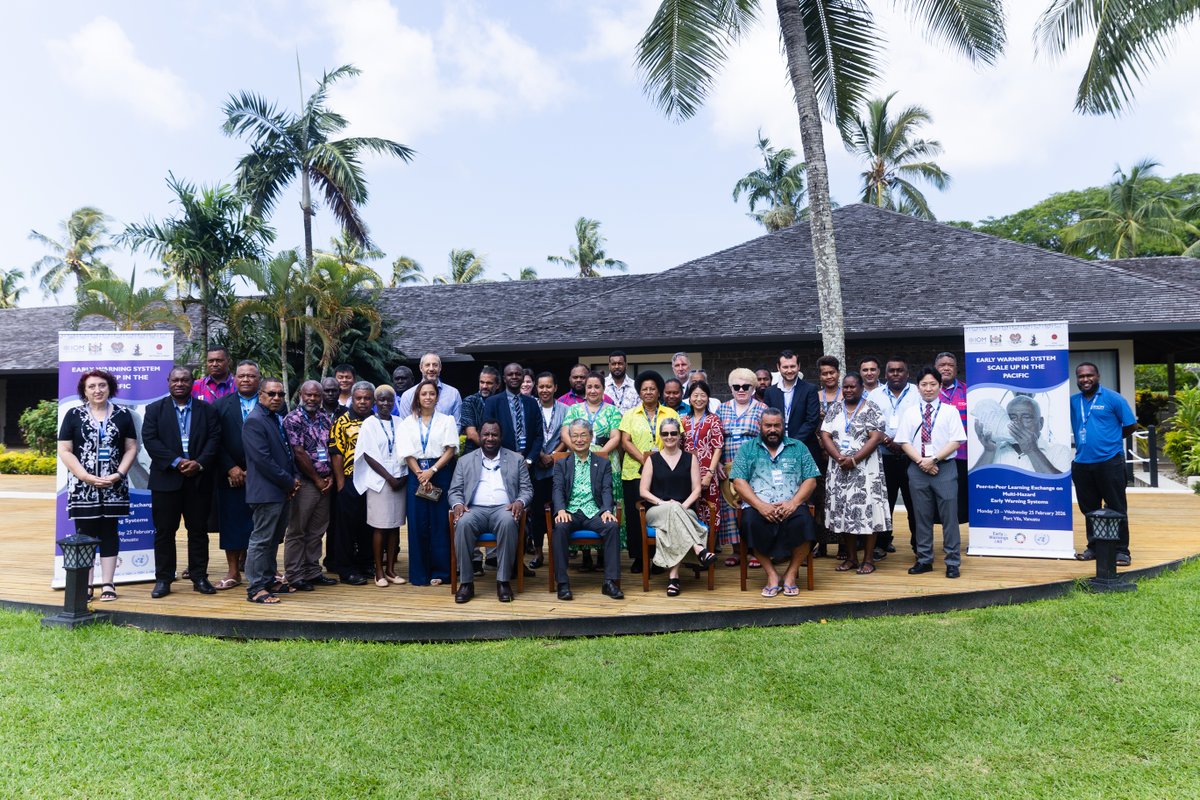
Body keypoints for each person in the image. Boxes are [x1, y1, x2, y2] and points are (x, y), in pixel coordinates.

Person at [57, 369, 138, 602]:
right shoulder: (73, 414)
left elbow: (131, 447)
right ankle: (87, 584)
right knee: (85, 535)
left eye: (102, 385)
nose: (97, 390)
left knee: (110, 532)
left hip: (114, 486)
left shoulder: (123, 414)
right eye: (91, 386)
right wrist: (85, 476)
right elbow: (65, 449)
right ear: (84, 391)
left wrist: (118, 474)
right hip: (83, 487)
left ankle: (108, 584)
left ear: (110, 387)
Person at [142, 366, 220, 598]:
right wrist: (177, 462)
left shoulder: (208, 410)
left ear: (192, 383)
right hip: (166, 480)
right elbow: (150, 440)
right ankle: (163, 579)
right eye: (175, 380)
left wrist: (199, 463)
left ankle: (199, 577)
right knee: (164, 532)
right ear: (168, 382)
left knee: (198, 531)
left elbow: (215, 439)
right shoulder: (154, 410)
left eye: (184, 380)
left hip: (198, 480)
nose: (179, 384)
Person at [731, 408, 821, 597]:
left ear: (783, 426)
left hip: (792, 505)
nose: (772, 430)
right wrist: (760, 505)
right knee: (749, 523)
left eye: (776, 425)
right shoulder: (747, 449)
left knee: (806, 523)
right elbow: (738, 481)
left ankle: (791, 574)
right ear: (760, 426)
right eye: (768, 426)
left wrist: (793, 503)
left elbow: (811, 479)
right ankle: (771, 574)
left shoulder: (798, 447)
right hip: (758, 506)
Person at [448, 420, 533, 603]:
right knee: (462, 523)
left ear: (501, 437)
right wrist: (458, 504)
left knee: (509, 521)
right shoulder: (465, 460)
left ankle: (503, 581)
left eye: (494, 434)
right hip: (474, 510)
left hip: (504, 509)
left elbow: (527, 489)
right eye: (486, 434)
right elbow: (454, 491)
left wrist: (520, 502)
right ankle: (466, 583)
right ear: (479, 436)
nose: (490, 438)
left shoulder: (516, 459)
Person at [895, 367, 968, 578]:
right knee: (921, 516)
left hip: (944, 468)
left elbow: (956, 441)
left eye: (933, 384)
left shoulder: (950, 411)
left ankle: (952, 561)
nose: (928, 388)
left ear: (939, 386)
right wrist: (921, 461)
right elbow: (904, 441)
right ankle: (924, 559)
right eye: (924, 384)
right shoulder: (910, 412)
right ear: (918, 387)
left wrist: (934, 459)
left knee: (949, 516)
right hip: (918, 468)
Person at [819, 374, 890, 575]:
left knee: (867, 512)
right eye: (846, 387)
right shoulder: (835, 408)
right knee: (844, 512)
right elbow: (825, 434)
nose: (849, 390)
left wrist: (854, 459)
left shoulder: (871, 408)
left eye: (853, 387)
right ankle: (851, 558)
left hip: (865, 470)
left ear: (861, 388)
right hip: (839, 468)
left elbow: (876, 437)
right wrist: (839, 457)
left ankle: (868, 560)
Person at [1070, 362, 1137, 565]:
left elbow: (1131, 425)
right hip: (1082, 463)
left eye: (1089, 375)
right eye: (1081, 376)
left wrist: (1112, 439)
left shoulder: (1113, 398)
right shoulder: (1073, 401)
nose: (1085, 379)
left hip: (1110, 462)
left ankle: (1121, 551)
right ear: (1077, 379)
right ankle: (1094, 547)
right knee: (1089, 509)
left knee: (1116, 507)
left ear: (1098, 376)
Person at [642, 418, 716, 596]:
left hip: (685, 508)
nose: (669, 437)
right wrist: (663, 503)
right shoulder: (652, 460)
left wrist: (681, 506)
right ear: (660, 436)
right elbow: (643, 491)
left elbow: (697, 489)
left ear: (679, 435)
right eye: (665, 433)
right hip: (657, 510)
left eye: (673, 433)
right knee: (673, 510)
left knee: (674, 519)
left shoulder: (690, 458)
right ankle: (699, 548)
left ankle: (673, 577)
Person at [243, 377, 300, 604]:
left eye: (281, 394)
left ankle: (269, 580)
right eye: (271, 393)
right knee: (261, 540)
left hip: (281, 490)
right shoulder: (254, 421)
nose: (277, 398)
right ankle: (256, 588)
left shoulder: (275, 417)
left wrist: (294, 478)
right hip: (266, 491)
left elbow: (287, 452)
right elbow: (263, 460)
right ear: (261, 395)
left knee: (274, 539)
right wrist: (289, 482)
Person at [551, 419, 623, 601]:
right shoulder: (562, 464)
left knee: (612, 527)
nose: (579, 439)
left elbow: (607, 489)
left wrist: (607, 510)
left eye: (583, 435)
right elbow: (557, 489)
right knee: (560, 528)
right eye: (575, 435)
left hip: (594, 512)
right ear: (570, 438)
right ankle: (562, 583)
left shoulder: (603, 463)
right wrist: (560, 510)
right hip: (571, 512)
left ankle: (610, 582)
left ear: (591, 437)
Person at [398, 378, 459, 585]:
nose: (428, 397)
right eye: (424, 394)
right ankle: (420, 574)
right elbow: (406, 452)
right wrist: (420, 474)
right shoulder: (407, 423)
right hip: (416, 475)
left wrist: (431, 471)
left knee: (440, 523)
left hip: (440, 472)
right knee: (418, 524)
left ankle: (441, 572)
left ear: (437, 397)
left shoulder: (447, 420)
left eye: (432, 394)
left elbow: (450, 449)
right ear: (417, 397)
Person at [619, 370, 680, 573]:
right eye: (644, 389)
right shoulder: (630, 414)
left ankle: (659, 557)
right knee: (635, 514)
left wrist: (657, 463)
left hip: (664, 471)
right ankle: (639, 557)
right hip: (634, 471)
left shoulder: (670, 414)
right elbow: (625, 441)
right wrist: (644, 460)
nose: (648, 392)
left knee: (659, 513)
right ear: (639, 392)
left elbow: (677, 439)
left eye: (652, 389)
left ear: (659, 391)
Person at [282, 380, 337, 592]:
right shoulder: (293, 419)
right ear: (301, 395)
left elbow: (331, 448)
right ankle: (295, 575)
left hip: (325, 482)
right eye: (309, 395)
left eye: (316, 395)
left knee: (317, 530)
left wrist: (330, 475)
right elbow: (298, 452)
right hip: (305, 482)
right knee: (297, 530)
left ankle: (312, 571)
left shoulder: (325, 418)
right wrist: (317, 479)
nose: (312, 399)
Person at [212, 360, 262, 589]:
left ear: (258, 379)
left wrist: (257, 469)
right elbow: (214, 440)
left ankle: (263, 568)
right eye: (241, 376)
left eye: (251, 376)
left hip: (262, 475)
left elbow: (278, 439)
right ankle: (233, 572)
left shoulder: (271, 402)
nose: (246, 379)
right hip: (230, 475)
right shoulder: (220, 405)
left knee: (262, 523)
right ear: (235, 379)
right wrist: (230, 467)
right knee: (231, 523)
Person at [353, 385, 408, 587]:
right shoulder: (369, 423)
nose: (386, 403)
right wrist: (389, 478)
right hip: (380, 482)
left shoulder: (400, 422)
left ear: (394, 403)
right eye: (382, 400)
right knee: (380, 527)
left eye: (389, 400)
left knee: (394, 526)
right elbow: (368, 455)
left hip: (400, 480)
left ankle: (391, 570)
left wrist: (402, 477)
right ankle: (378, 571)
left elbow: (407, 450)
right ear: (376, 402)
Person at [868, 357, 919, 559]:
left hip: (911, 457)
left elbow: (922, 421)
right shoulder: (875, 395)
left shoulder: (917, 392)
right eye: (892, 370)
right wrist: (886, 440)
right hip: (883, 456)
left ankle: (919, 546)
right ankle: (882, 543)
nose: (896, 374)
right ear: (886, 374)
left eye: (900, 370)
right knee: (883, 503)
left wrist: (903, 442)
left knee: (914, 504)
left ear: (907, 373)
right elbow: (870, 422)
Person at [716, 368, 768, 566]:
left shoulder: (762, 408)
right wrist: (717, 462)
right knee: (730, 508)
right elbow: (716, 439)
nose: (741, 390)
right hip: (727, 467)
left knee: (752, 506)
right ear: (730, 388)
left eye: (745, 386)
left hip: (754, 468)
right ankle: (737, 551)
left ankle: (755, 551)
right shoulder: (722, 409)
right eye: (736, 386)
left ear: (753, 388)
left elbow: (767, 438)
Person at [329, 381, 375, 586]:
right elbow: (336, 453)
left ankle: (365, 563)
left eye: (367, 398)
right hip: (350, 480)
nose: (363, 402)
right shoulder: (342, 421)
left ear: (372, 401)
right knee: (346, 527)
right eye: (359, 398)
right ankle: (346, 569)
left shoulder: (376, 421)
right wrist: (341, 484)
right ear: (352, 399)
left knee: (368, 525)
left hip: (373, 481)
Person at [973, 395, 1073, 474]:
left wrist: (1032, 450)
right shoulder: (994, 449)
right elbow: (975, 483)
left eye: (1026, 418)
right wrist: (988, 451)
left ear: (1041, 423)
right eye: (1012, 418)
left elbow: (1060, 486)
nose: (1018, 423)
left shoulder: (1059, 451)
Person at [529, 371, 567, 565]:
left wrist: (553, 455)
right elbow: (528, 434)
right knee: (536, 512)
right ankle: (538, 552)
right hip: (535, 466)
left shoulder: (565, 409)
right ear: (536, 388)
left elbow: (566, 436)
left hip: (557, 467)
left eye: (548, 386)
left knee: (557, 509)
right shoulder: (530, 407)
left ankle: (556, 551)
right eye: (541, 386)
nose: (545, 390)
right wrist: (540, 454)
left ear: (555, 388)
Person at [763, 350, 822, 464]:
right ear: (778, 367)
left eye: (792, 366)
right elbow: (767, 421)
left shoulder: (810, 389)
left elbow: (812, 420)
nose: (789, 370)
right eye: (785, 367)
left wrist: (792, 444)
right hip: (776, 449)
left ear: (798, 366)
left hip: (805, 448)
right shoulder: (770, 392)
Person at [681, 380, 724, 526]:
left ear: (708, 398)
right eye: (695, 395)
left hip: (707, 472)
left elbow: (718, 448)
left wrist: (709, 474)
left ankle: (711, 540)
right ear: (689, 398)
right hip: (687, 472)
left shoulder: (714, 419)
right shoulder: (684, 421)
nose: (699, 399)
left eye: (703, 395)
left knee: (710, 509)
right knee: (690, 509)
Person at [483, 363, 544, 465]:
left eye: (518, 374)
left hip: (529, 463)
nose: (514, 377)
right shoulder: (492, 402)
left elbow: (538, 435)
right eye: (510, 374)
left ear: (522, 377)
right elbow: (488, 435)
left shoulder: (532, 403)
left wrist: (530, 460)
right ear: (504, 378)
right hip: (501, 462)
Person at [936, 352, 970, 523]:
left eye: (950, 365)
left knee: (962, 502)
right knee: (940, 501)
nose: (946, 368)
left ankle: (956, 534)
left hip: (963, 456)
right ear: (935, 368)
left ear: (956, 369)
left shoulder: (968, 390)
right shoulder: (929, 392)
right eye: (942, 365)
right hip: (938, 457)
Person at [398, 352, 463, 423]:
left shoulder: (453, 394)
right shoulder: (407, 396)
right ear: (421, 368)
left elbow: (457, 424)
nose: (431, 369)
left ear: (440, 368)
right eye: (427, 365)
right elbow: (405, 425)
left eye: (435, 365)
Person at [460, 366, 501, 453]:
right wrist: (493, 451)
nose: (484, 386)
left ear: (497, 385)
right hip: (474, 452)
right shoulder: (469, 401)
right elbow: (471, 434)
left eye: (489, 383)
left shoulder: (501, 402)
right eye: (482, 382)